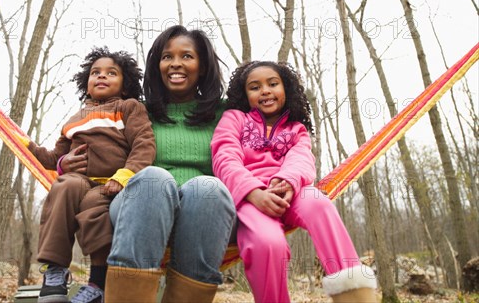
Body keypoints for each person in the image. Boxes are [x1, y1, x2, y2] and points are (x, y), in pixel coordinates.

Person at [211, 61, 377, 303]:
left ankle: (355, 296)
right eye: (255, 87)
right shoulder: (234, 119)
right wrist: (254, 192)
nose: (265, 90)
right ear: (244, 95)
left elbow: (302, 159)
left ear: (285, 89)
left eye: (273, 84)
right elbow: (224, 157)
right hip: (251, 198)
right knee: (268, 243)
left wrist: (287, 181)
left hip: (291, 192)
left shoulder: (296, 129)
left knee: (319, 202)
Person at [100, 25, 236, 303]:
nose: (175, 63)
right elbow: (93, 142)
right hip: (138, 205)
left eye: (187, 56)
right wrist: (65, 160)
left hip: (205, 215)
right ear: (157, 65)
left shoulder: (228, 113)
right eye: (167, 56)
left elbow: (269, 144)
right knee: (155, 179)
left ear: (203, 66)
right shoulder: (134, 110)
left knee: (207, 187)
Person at [28, 47, 156, 303]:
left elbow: (144, 145)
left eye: (111, 73)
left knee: (95, 212)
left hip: (110, 184)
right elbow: (55, 159)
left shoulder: (128, 108)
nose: (102, 76)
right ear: (86, 83)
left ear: (125, 84)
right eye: (95, 72)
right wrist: (29, 148)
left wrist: (124, 176)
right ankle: (55, 271)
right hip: (78, 179)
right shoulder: (75, 119)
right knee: (64, 187)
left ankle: (98, 283)